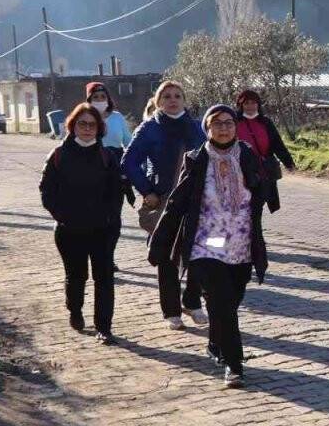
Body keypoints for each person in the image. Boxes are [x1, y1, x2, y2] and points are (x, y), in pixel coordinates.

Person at [148, 105, 269, 387]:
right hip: (208, 242)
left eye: (229, 122)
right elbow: (176, 203)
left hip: (240, 243)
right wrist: (160, 241)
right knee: (221, 302)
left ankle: (217, 344)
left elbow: (260, 190)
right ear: (208, 128)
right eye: (217, 124)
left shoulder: (248, 155)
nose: (224, 128)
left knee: (230, 302)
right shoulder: (196, 159)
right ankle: (234, 365)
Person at [122, 80, 208, 330]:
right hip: (164, 200)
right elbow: (129, 162)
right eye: (167, 96)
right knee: (167, 257)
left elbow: (209, 158)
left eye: (177, 95)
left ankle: (192, 302)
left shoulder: (196, 128)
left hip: (195, 199)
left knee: (198, 253)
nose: (172, 100)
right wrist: (147, 190)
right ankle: (171, 310)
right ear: (158, 102)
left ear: (184, 100)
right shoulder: (150, 128)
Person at [39, 103, 124, 344]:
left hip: (103, 229)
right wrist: (62, 215)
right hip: (69, 230)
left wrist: (110, 218)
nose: (87, 128)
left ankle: (104, 327)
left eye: (92, 124)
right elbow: (47, 192)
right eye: (82, 123)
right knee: (76, 277)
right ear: (72, 126)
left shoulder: (107, 156)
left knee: (104, 278)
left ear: (99, 128)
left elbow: (116, 192)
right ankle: (75, 311)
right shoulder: (58, 155)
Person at [86, 82, 136, 269]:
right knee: (94, 218)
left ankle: (108, 257)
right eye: (95, 98)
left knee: (113, 218)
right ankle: (97, 257)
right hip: (91, 171)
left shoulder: (117, 118)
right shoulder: (85, 118)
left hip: (115, 172)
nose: (100, 101)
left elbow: (129, 143)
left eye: (103, 97)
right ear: (89, 100)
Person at [233, 90, 296, 211]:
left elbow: (278, 144)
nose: (250, 106)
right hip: (241, 174)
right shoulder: (234, 123)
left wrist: (288, 163)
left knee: (256, 210)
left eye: (253, 103)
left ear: (258, 105)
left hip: (263, 174)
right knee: (242, 210)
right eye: (246, 103)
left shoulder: (266, 123)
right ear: (241, 105)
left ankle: (255, 229)